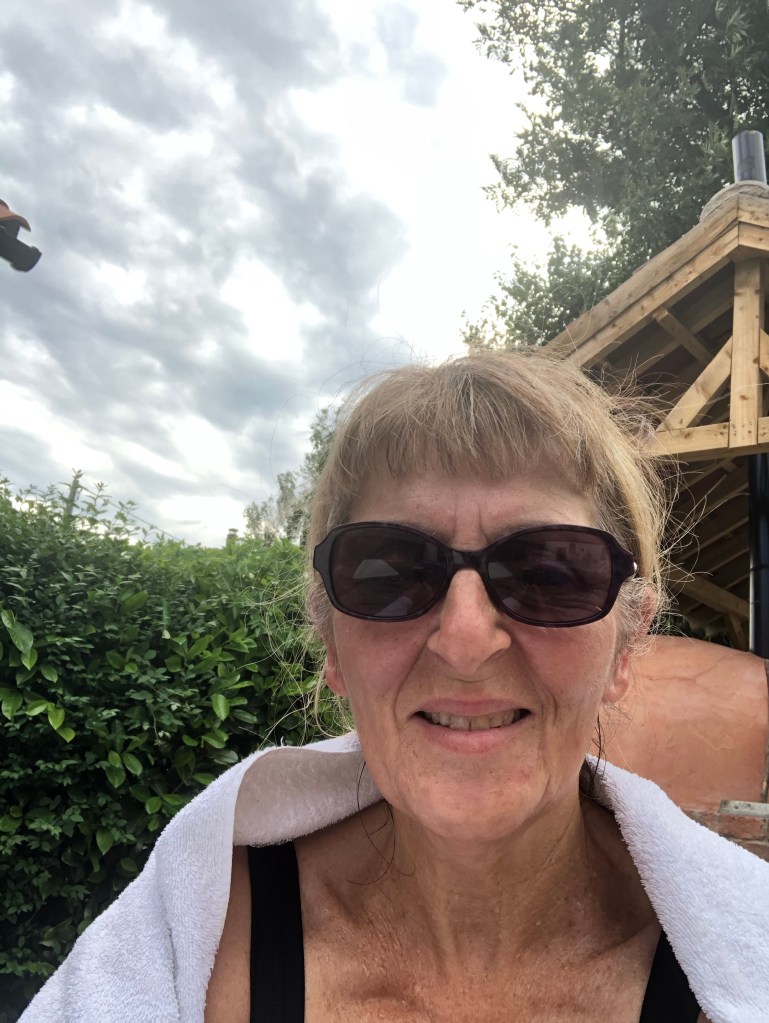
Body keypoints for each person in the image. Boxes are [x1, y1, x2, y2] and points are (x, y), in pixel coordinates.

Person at [20, 350, 769, 1023]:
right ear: (332, 643)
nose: (466, 640)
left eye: (547, 572)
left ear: (626, 645)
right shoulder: (203, 940)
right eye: (388, 572)